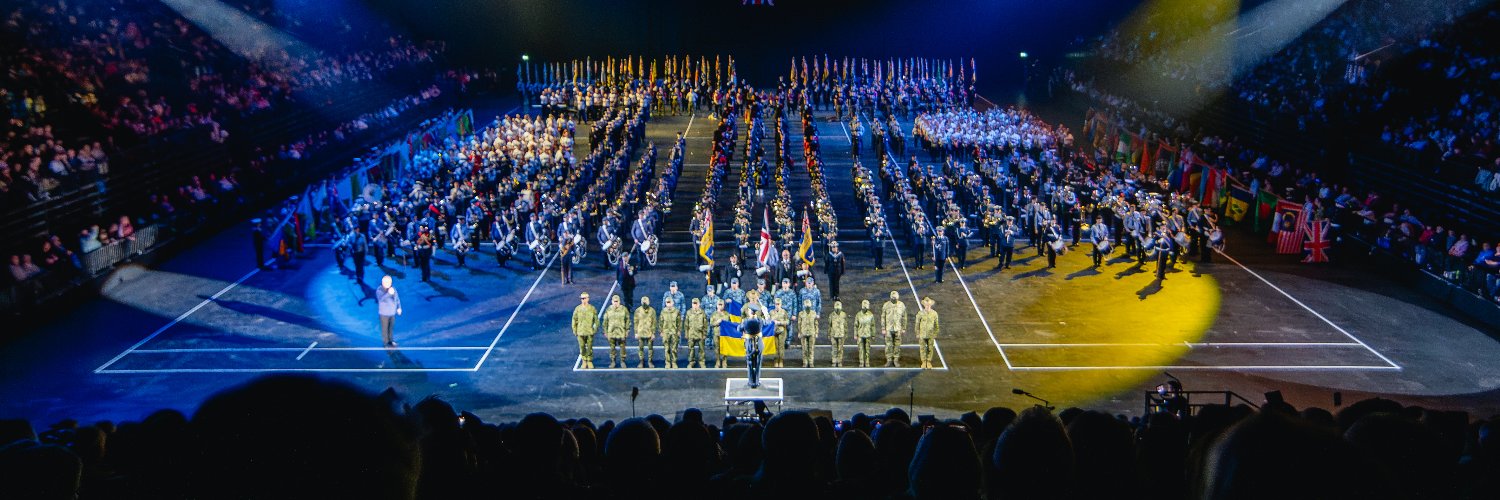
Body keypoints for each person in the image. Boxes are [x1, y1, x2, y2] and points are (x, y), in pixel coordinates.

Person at [602, 295, 631, 368]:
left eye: (617, 301)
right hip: (611, 333)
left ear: (619, 301)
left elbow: (627, 320)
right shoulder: (608, 310)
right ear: (612, 302)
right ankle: (613, 361)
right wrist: (605, 331)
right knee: (612, 348)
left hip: (621, 332)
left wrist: (627, 330)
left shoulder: (624, 309)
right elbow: (605, 321)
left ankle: (622, 361)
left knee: (622, 348)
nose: (615, 303)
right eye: (614, 301)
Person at [882, 291, 907, 367]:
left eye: (895, 298)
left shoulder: (901, 305)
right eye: (893, 298)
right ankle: (889, 360)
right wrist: (883, 328)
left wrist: (903, 328)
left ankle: (896, 360)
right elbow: (883, 317)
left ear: (898, 298)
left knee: (897, 345)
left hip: (898, 329)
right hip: (888, 329)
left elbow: (904, 317)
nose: (894, 299)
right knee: (888, 345)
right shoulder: (886, 305)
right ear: (890, 298)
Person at [572, 292, 598, 369]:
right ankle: (584, 361)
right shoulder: (577, 309)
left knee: (589, 347)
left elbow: (596, 320)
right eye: (582, 298)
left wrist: (595, 329)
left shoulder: (592, 309)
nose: (583, 300)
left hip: (589, 331)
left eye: (584, 298)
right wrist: (574, 330)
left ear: (588, 299)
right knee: (582, 347)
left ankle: (589, 360)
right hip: (580, 331)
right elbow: (574, 320)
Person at [741, 307, 764, 388]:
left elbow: (739, 328)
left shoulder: (746, 321)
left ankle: (751, 382)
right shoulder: (760, 320)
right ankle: (757, 381)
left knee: (750, 363)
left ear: (750, 312)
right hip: (759, 342)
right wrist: (766, 313)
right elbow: (768, 323)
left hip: (749, 342)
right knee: (758, 362)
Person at [914, 296, 940, 369]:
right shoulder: (920, 314)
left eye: (929, 304)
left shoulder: (934, 314)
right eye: (926, 304)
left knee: (930, 348)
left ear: (931, 305)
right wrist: (917, 333)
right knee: (922, 348)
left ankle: (928, 361)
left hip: (931, 334)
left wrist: (935, 333)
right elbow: (917, 324)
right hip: (922, 334)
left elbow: (936, 325)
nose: (928, 305)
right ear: (924, 305)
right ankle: (923, 361)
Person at [377, 275, 402, 347]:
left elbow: (397, 298)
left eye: (389, 282)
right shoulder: (379, 290)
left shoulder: (393, 289)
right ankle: (385, 342)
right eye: (386, 282)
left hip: (392, 313)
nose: (388, 283)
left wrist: (399, 307)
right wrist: (389, 293)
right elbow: (381, 299)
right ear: (383, 282)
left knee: (391, 328)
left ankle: (391, 341)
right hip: (384, 314)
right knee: (385, 329)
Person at [685, 298, 709, 368]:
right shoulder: (689, 312)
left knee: (701, 349)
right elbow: (686, 324)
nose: (694, 305)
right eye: (693, 303)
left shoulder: (702, 313)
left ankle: (701, 361)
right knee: (690, 349)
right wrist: (686, 333)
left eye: (696, 303)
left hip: (700, 334)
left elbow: (705, 325)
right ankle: (691, 361)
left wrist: (704, 334)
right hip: (691, 333)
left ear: (699, 304)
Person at [634, 297, 657, 368]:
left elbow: (654, 322)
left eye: (646, 302)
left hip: (649, 332)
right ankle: (641, 361)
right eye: (643, 302)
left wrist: (653, 333)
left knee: (650, 349)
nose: (645, 304)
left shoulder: (652, 311)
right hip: (641, 332)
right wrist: (636, 332)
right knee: (641, 348)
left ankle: (650, 361)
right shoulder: (638, 311)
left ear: (649, 302)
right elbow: (635, 322)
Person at [660, 297, 682, 369]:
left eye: (669, 302)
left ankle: (674, 362)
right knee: (667, 349)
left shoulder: (677, 311)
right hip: (666, 332)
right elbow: (661, 322)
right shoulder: (663, 311)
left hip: (674, 332)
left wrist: (679, 331)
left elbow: (679, 322)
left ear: (672, 303)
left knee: (674, 349)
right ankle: (667, 363)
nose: (668, 304)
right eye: (667, 302)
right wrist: (661, 331)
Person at [709, 300, 732, 368]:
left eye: (721, 305)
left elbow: (730, 324)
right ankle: (718, 361)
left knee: (724, 348)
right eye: (719, 304)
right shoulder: (714, 314)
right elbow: (711, 324)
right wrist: (717, 322)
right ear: (716, 305)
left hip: (724, 334)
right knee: (717, 348)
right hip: (716, 334)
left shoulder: (727, 314)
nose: (720, 306)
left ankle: (724, 361)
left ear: (724, 305)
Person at [768, 298, 790, 368]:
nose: (777, 306)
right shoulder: (771, 312)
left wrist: (780, 322)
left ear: (781, 304)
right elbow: (768, 321)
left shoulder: (784, 312)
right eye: (776, 304)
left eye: (778, 304)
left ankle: (781, 360)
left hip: (782, 331)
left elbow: (787, 321)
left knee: (781, 346)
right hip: (774, 331)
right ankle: (775, 360)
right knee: (775, 347)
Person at [798, 299, 820, 367]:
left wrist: (816, 332)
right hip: (803, 332)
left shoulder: (814, 313)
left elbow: (816, 323)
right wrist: (799, 332)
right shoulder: (801, 313)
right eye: (806, 304)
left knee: (811, 348)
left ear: (811, 305)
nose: (807, 306)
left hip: (812, 332)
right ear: (804, 305)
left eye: (808, 304)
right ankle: (805, 362)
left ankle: (811, 362)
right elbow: (799, 324)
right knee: (804, 348)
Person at [855, 299, 876, 367]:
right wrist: (855, 334)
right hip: (860, 334)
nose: (865, 307)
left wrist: (873, 334)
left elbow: (873, 325)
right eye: (864, 306)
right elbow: (856, 325)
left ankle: (867, 362)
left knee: (867, 349)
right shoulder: (858, 315)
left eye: (866, 306)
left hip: (867, 334)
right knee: (861, 349)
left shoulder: (870, 315)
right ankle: (861, 362)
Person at [826, 300, 848, 367]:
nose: (837, 309)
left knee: (840, 348)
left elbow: (845, 325)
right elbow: (829, 325)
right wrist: (829, 334)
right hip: (833, 334)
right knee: (834, 348)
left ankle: (839, 361)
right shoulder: (831, 315)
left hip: (841, 334)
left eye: (838, 307)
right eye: (836, 307)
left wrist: (846, 333)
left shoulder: (843, 315)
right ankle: (834, 360)